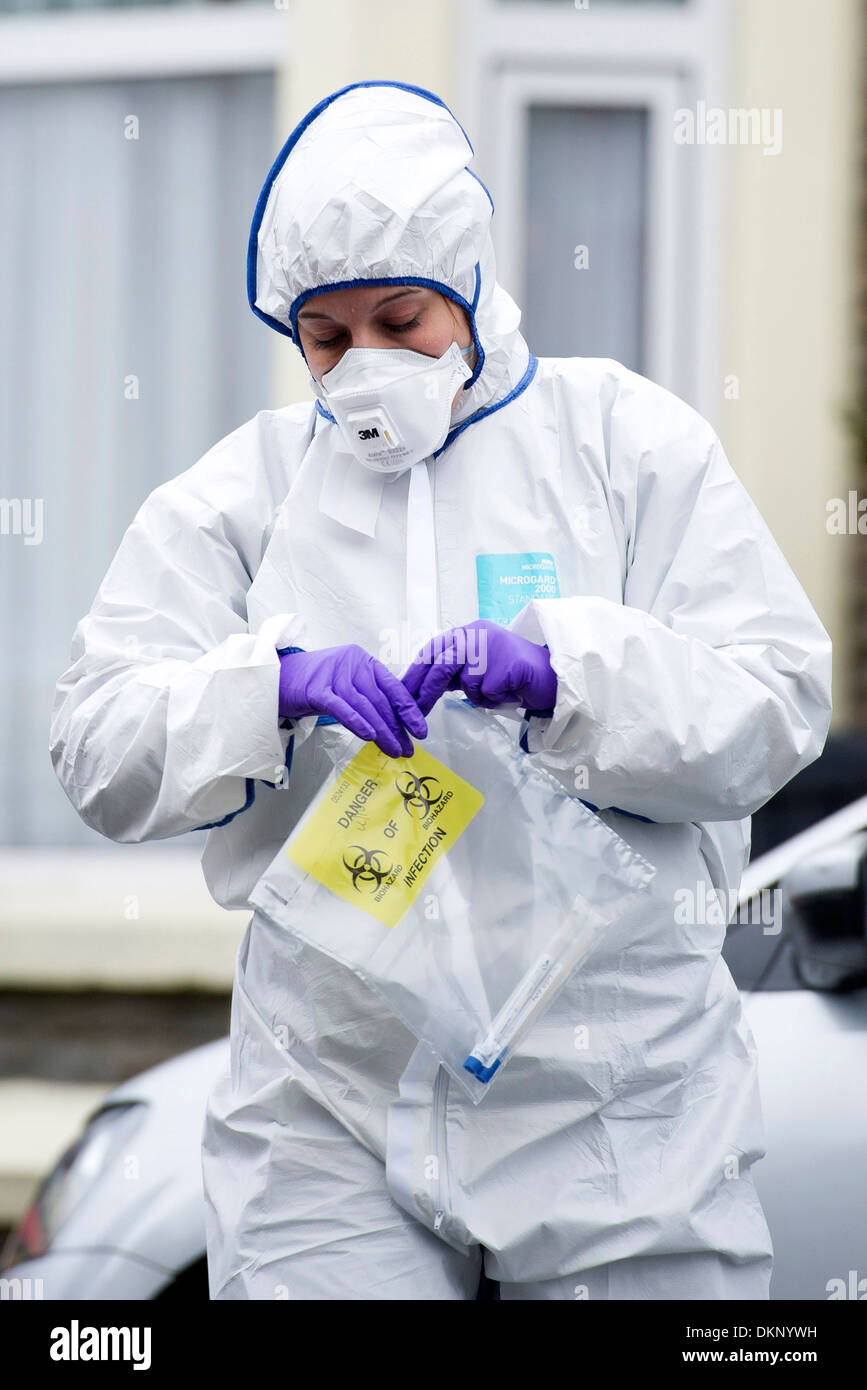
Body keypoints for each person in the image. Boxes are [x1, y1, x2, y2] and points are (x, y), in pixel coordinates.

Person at [49, 80, 832, 1301]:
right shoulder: (245, 494)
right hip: (330, 1100)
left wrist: (566, 673)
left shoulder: (624, 444)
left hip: (615, 1093)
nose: (364, 361)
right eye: (326, 335)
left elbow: (777, 696)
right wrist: (273, 688)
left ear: (465, 282)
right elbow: (96, 744)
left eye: (401, 317)